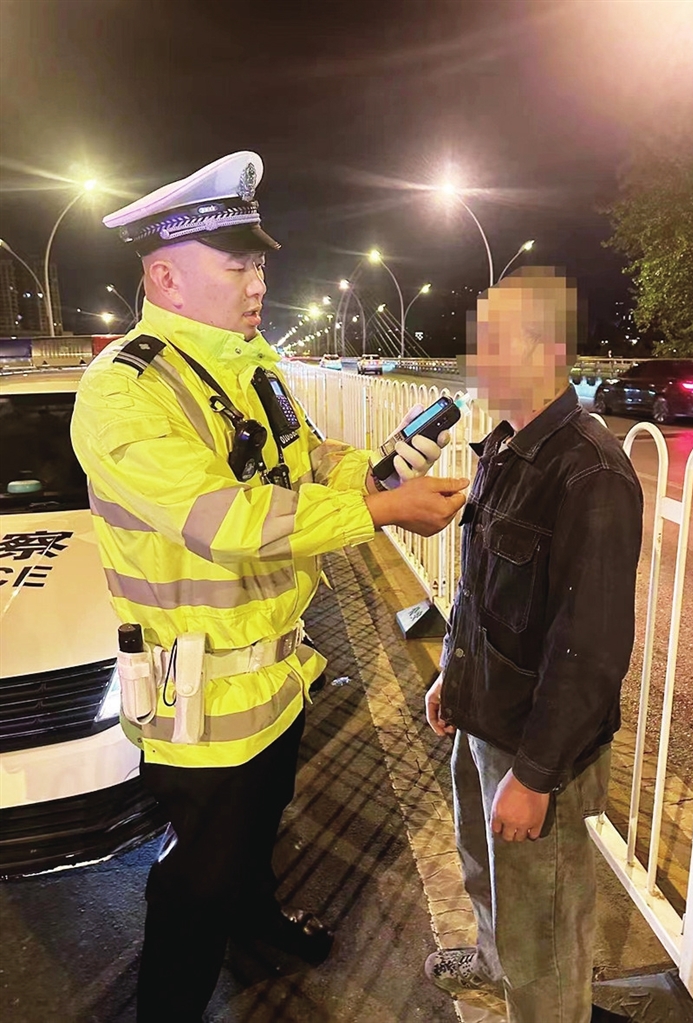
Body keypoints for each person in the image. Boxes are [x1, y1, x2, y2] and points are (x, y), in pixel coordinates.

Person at [70, 150, 467, 1023]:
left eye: (259, 265)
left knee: (258, 832)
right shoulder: (124, 391)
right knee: (197, 878)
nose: (257, 283)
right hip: (199, 695)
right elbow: (229, 519)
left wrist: (378, 471)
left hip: (279, 675)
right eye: (236, 266)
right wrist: (380, 511)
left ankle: (257, 918)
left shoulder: (251, 362)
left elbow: (307, 457)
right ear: (165, 276)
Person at [424, 269, 643, 1023]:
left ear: (547, 349)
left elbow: (590, 646)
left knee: (544, 925)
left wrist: (537, 773)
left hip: (536, 746)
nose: (475, 357)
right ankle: (495, 969)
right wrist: (452, 677)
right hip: (484, 718)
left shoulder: (590, 471)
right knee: (490, 879)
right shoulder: (506, 448)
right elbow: (479, 590)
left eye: (494, 340)